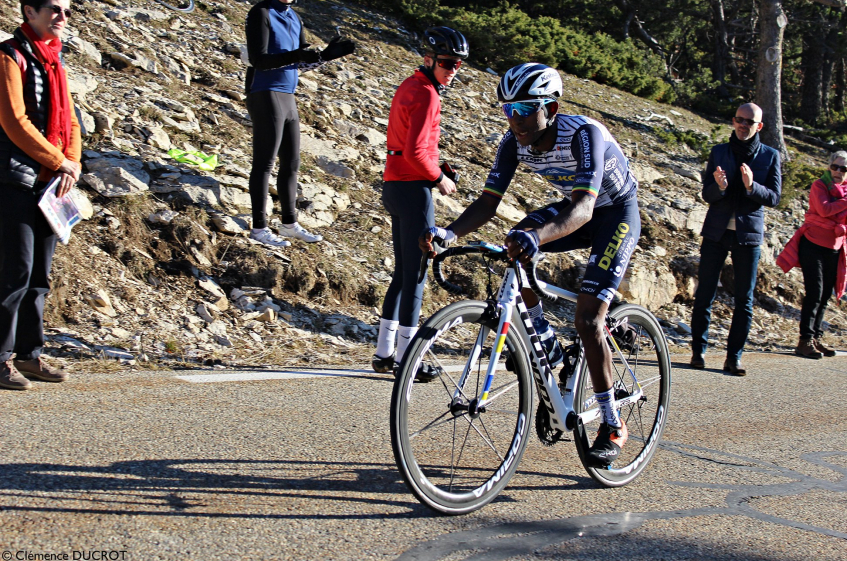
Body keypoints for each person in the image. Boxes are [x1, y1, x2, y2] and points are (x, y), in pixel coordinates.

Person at [420, 63, 641, 468]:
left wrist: (537, 237)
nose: (514, 118)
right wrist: (449, 233)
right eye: (507, 108)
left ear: (551, 108)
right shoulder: (513, 142)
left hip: (613, 213)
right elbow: (488, 203)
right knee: (514, 244)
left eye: (524, 108)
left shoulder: (584, 134)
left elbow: (586, 206)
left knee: (588, 320)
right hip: (576, 209)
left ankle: (612, 424)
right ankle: (545, 342)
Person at [371, 27, 467, 376]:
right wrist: (438, 179)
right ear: (428, 60)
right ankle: (406, 360)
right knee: (417, 276)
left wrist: (437, 166)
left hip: (394, 184)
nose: (452, 69)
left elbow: (408, 145)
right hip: (414, 189)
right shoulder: (427, 94)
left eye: (456, 64)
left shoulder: (410, 86)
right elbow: (414, 151)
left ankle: (384, 354)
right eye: (445, 62)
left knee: (403, 272)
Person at [0, 0, 80, 390]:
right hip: (13, 178)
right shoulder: (8, 56)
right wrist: (58, 160)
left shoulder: (54, 60)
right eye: (54, 9)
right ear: (28, 12)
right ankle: (1, 358)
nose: (63, 17)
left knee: (39, 276)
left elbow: (71, 121)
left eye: (66, 10)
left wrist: (73, 162)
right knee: (13, 271)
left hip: (50, 181)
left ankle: (30, 354)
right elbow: (13, 120)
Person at [244, 0, 354, 247]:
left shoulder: (294, 16)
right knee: (265, 163)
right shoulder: (261, 12)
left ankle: (289, 224)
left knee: (292, 164)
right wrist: (297, 55)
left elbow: (300, 63)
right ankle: (259, 229)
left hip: (288, 94)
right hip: (265, 90)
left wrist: (326, 55)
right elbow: (258, 59)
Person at [689, 103, 781, 376]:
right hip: (716, 232)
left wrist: (752, 186)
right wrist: (719, 187)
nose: (743, 125)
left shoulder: (770, 156)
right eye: (740, 120)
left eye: (749, 122)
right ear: (733, 121)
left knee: (744, 299)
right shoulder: (719, 151)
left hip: (748, 236)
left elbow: (774, 197)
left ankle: (734, 357)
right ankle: (698, 352)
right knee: (704, 293)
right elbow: (706, 193)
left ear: (759, 126)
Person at [776, 151, 847, 359]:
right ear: (829, 167)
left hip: (834, 247)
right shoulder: (819, 186)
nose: (838, 172)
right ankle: (804, 340)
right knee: (814, 292)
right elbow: (824, 210)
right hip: (812, 245)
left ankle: (816, 337)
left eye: (844, 169)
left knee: (825, 295)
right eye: (835, 167)